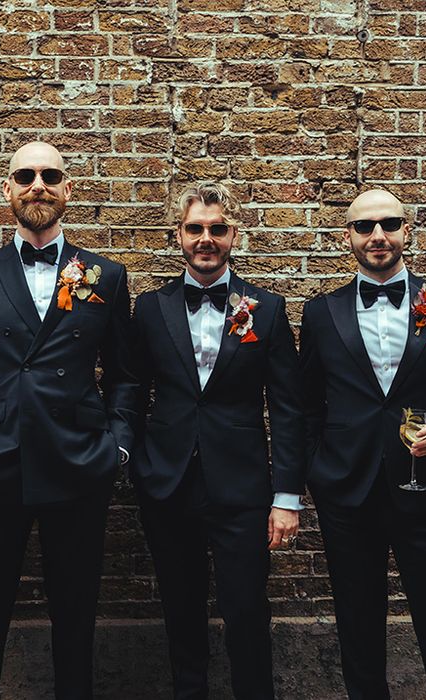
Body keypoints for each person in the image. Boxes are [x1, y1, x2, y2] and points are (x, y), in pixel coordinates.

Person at [0, 141, 137, 700]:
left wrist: (116, 446)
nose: (38, 185)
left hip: (79, 465)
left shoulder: (106, 275)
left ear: (69, 189)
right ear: (8, 189)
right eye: (25, 175)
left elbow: (126, 375)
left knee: (76, 612)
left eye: (51, 175)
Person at [299, 189, 426, 699]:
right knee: (358, 627)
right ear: (348, 238)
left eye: (388, 224)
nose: (377, 235)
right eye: (364, 227)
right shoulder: (320, 313)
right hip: (346, 493)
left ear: (407, 231)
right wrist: (320, 470)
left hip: (424, 490)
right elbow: (306, 403)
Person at [131, 182, 308, 699]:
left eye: (216, 229)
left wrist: (286, 497)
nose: (205, 239)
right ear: (178, 235)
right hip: (168, 486)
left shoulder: (267, 310)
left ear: (234, 235)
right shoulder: (150, 308)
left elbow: (289, 408)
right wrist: (140, 466)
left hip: (244, 493)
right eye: (194, 229)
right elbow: (131, 393)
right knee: (180, 613)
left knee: (247, 613)